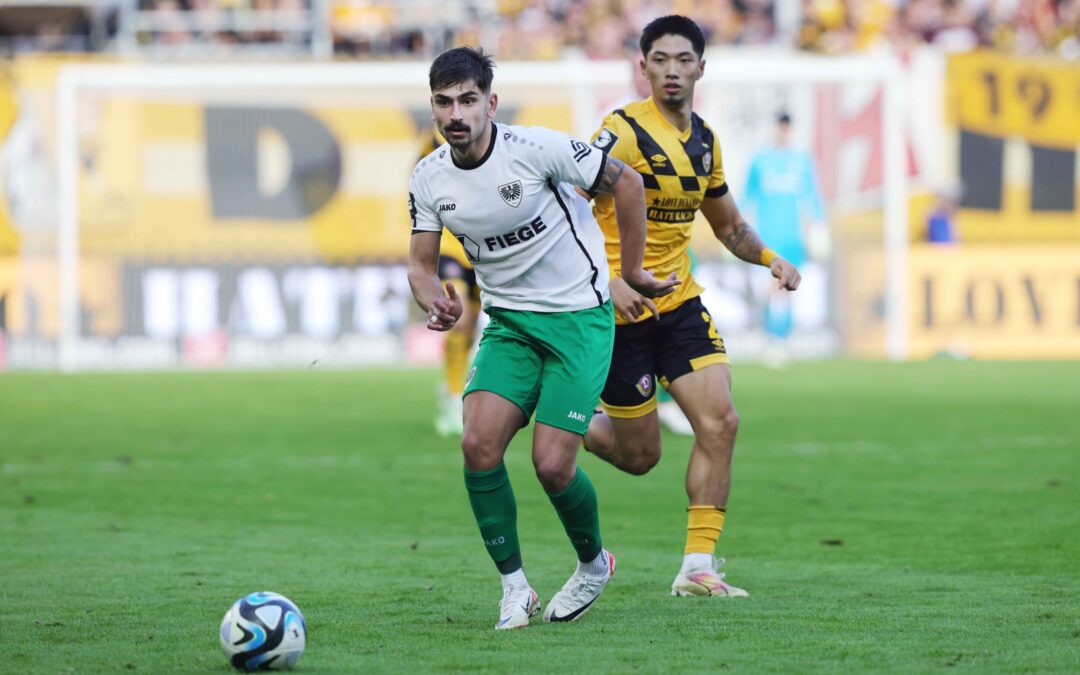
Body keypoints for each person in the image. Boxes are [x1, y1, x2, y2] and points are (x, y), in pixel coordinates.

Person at [407, 46, 677, 629]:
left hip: (578, 320)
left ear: (491, 104)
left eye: (468, 101)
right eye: (444, 102)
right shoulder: (429, 176)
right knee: (478, 446)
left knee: (552, 466)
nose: (456, 114)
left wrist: (630, 271)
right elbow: (421, 265)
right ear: (433, 107)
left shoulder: (535, 149)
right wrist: (435, 300)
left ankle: (593, 563)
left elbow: (626, 183)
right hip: (509, 324)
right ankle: (515, 589)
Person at [583, 15, 801, 598]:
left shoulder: (706, 140)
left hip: (678, 304)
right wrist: (608, 279)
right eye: (660, 59)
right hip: (621, 310)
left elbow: (728, 227)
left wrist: (770, 258)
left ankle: (696, 568)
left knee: (721, 421)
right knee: (639, 458)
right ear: (643, 66)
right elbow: (569, 208)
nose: (672, 70)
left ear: (701, 67)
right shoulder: (622, 131)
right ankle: (566, 415)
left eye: (683, 59)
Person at [743, 111, 826, 367]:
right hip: (768, 235)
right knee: (771, 287)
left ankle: (783, 338)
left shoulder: (802, 161)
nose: (783, 131)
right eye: (780, 127)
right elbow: (747, 196)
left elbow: (812, 198)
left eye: (786, 127)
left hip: (792, 235)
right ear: (775, 128)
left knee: (788, 287)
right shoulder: (760, 160)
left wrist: (819, 230)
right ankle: (772, 336)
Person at [418, 127, 483, 437]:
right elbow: (417, 187)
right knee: (461, 320)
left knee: (472, 329)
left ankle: (451, 387)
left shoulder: (493, 138)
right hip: (449, 244)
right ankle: (454, 398)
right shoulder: (432, 140)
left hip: (483, 245)